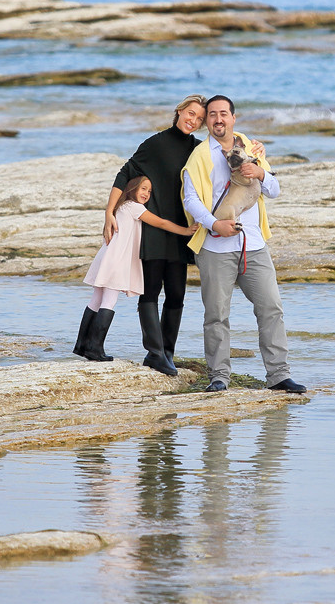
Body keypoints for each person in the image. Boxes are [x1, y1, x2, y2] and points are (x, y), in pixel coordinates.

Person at [181, 95, 306, 394]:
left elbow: (273, 190)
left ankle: (278, 376)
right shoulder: (199, 156)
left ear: (233, 118)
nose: (218, 119)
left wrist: (260, 172)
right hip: (215, 248)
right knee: (216, 316)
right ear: (206, 121)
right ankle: (219, 377)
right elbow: (190, 199)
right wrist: (215, 224)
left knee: (271, 309)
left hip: (254, 246)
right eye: (212, 114)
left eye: (224, 113)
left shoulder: (250, 148)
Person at [103, 95, 206, 376]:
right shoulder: (155, 143)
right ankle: (154, 353)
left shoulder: (198, 149)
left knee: (176, 294)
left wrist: (254, 148)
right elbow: (125, 173)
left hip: (181, 230)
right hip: (153, 228)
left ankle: (167, 353)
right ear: (179, 111)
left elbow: (225, 157)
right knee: (150, 292)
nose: (193, 120)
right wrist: (109, 213)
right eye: (190, 113)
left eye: (199, 118)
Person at [75, 176, 198, 362]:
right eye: (143, 189)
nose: (147, 194)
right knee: (108, 301)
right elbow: (161, 223)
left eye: (149, 191)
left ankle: (82, 345)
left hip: (106, 256)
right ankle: (95, 348)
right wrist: (185, 231)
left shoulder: (120, 207)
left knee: (96, 299)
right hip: (117, 260)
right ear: (132, 188)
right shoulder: (134, 207)